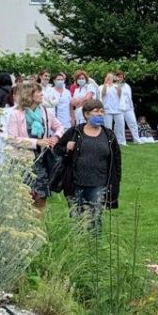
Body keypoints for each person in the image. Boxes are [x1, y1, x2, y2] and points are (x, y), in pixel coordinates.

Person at [53, 99, 122, 235]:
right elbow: (57, 149)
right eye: (96, 111)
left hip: (98, 184)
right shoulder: (75, 131)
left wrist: (115, 182)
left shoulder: (109, 135)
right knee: (76, 219)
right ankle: (77, 249)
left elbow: (117, 162)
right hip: (75, 183)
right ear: (86, 114)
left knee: (94, 219)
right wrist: (67, 148)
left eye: (102, 111)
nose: (100, 114)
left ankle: (95, 248)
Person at [6, 81, 65, 215]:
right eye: (38, 92)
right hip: (23, 161)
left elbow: (60, 127)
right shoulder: (16, 114)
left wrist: (55, 137)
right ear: (29, 95)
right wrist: (36, 142)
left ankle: (39, 227)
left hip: (42, 161)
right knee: (22, 197)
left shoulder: (46, 111)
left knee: (41, 197)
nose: (41, 94)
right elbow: (12, 138)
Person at [99, 73, 127, 145]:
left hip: (118, 109)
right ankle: (108, 141)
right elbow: (103, 93)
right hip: (107, 109)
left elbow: (120, 94)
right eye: (108, 78)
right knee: (108, 126)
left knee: (120, 125)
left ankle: (121, 141)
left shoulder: (116, 86)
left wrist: (118, 84)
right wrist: (105, 84)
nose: (109, 79)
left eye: (111, 78)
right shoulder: (102, 87)